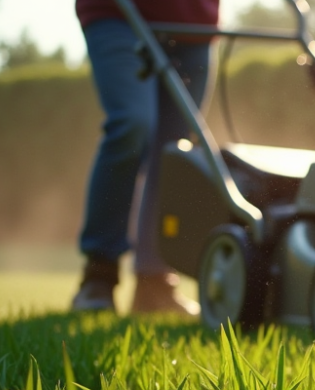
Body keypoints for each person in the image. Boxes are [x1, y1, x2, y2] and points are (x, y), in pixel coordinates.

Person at [72, 0, 220, 314]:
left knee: (175, 151)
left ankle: (155, 280)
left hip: (195, 22)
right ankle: (98, 274)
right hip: (118, 12)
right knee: (132, 123)